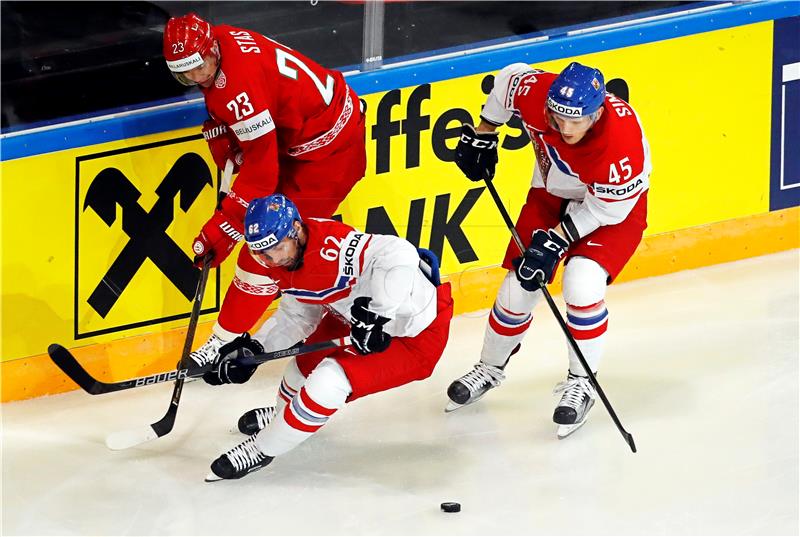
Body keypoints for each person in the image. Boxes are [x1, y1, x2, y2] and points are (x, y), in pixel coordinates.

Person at [446, 61, 650, 438]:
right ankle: (489, 369)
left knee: (581, 284)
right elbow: (509, 79)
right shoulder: (536, 92)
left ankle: (582, 382)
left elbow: (608, 209)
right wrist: (485, 131)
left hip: (608, 210)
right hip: (550, 193)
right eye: (558, 118)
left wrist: (556, 240)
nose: (566, 129)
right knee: (516, 287)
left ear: (598, 112)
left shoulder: (620, 143)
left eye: (578, 121)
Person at [201, 194, 454, 481]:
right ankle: (282, 419)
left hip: (414, 336)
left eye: (275, 249)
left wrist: (378, 314)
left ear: (295, 230)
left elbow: (400, 252)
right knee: (302, 365)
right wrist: (255, 349)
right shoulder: (286, 260)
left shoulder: (334, 247)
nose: (270, 260)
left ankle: (262, 449)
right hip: (353, 318)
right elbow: (297, 316)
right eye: (261, 254)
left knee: (328, 380)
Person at [162, 13, 367, 367]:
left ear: (211, 49)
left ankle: (223, 342)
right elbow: (257, 111)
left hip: (328, 156)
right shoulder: (221, 41)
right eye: (185, 73)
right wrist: (223, 128)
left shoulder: (235, 84)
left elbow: (262, 170)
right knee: (275, 244)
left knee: (264, 247)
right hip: (306, 140)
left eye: (199, 67)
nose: (196, 77)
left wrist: (225, 226)